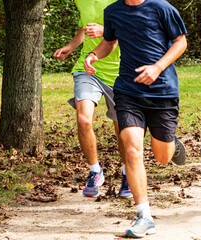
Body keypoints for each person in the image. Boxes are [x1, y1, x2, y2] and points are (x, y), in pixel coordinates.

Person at [84, 0, 187, 237]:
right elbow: (109, 42)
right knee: (131, 150)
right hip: (128, 91)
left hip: (162, 91)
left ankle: (171, 143)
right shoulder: (113, 11)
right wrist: (93, 55)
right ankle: (144, 215)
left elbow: (180, 41)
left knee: (162, 157)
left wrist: (158, 67)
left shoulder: (161, 8)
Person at [53, 0, 132, 199]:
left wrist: (105, 30)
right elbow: (84, 28)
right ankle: (95, 171)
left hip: (120, 72)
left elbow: (136, 28)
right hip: (87, 69)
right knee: (83, 120)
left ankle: (127, 173)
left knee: (121, 127)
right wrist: (71, 46)